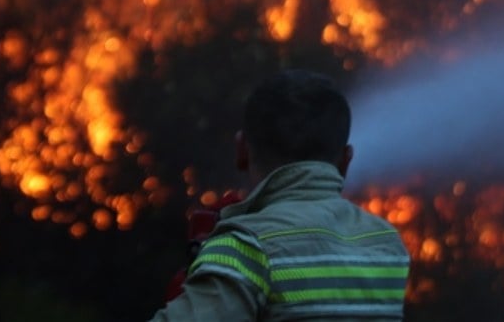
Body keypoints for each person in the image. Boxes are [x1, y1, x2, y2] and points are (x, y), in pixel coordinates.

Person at [150, 69, 410, 321]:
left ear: (242, 151)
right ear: (345, 161)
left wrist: (205, 269)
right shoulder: (386, 244)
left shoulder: (245, 248)